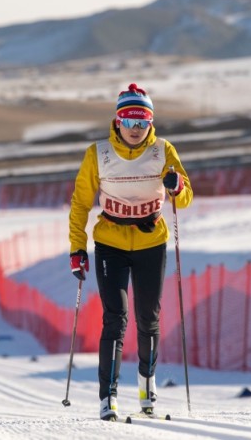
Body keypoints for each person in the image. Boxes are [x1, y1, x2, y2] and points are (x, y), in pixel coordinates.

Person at [68, 83, 193, 421]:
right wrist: (77, 248)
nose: (135, 129)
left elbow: (185, 197)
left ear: (151, 123)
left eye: (142, 121)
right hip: (110, 243)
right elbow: (80, 204)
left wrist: (176, 186)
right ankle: (107, 397)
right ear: (117, 121)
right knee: (115, 318)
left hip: (152, 242)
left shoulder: (164, 150)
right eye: (129, 120)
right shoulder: (99, 153)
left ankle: (146, 388)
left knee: (149, 317)